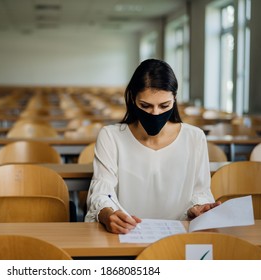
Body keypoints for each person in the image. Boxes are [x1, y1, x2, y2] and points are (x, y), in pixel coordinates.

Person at [84, 59, 220, 234]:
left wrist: (198, 208)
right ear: (133, 99)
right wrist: (107, 213)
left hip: (179, 235)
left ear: (174, 99)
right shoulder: (111, 136)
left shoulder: (194, 137)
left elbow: (200, 191)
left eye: (164, 105)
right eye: (145, 106)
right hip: (125, 234)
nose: (155, 113)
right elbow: (102, 190)